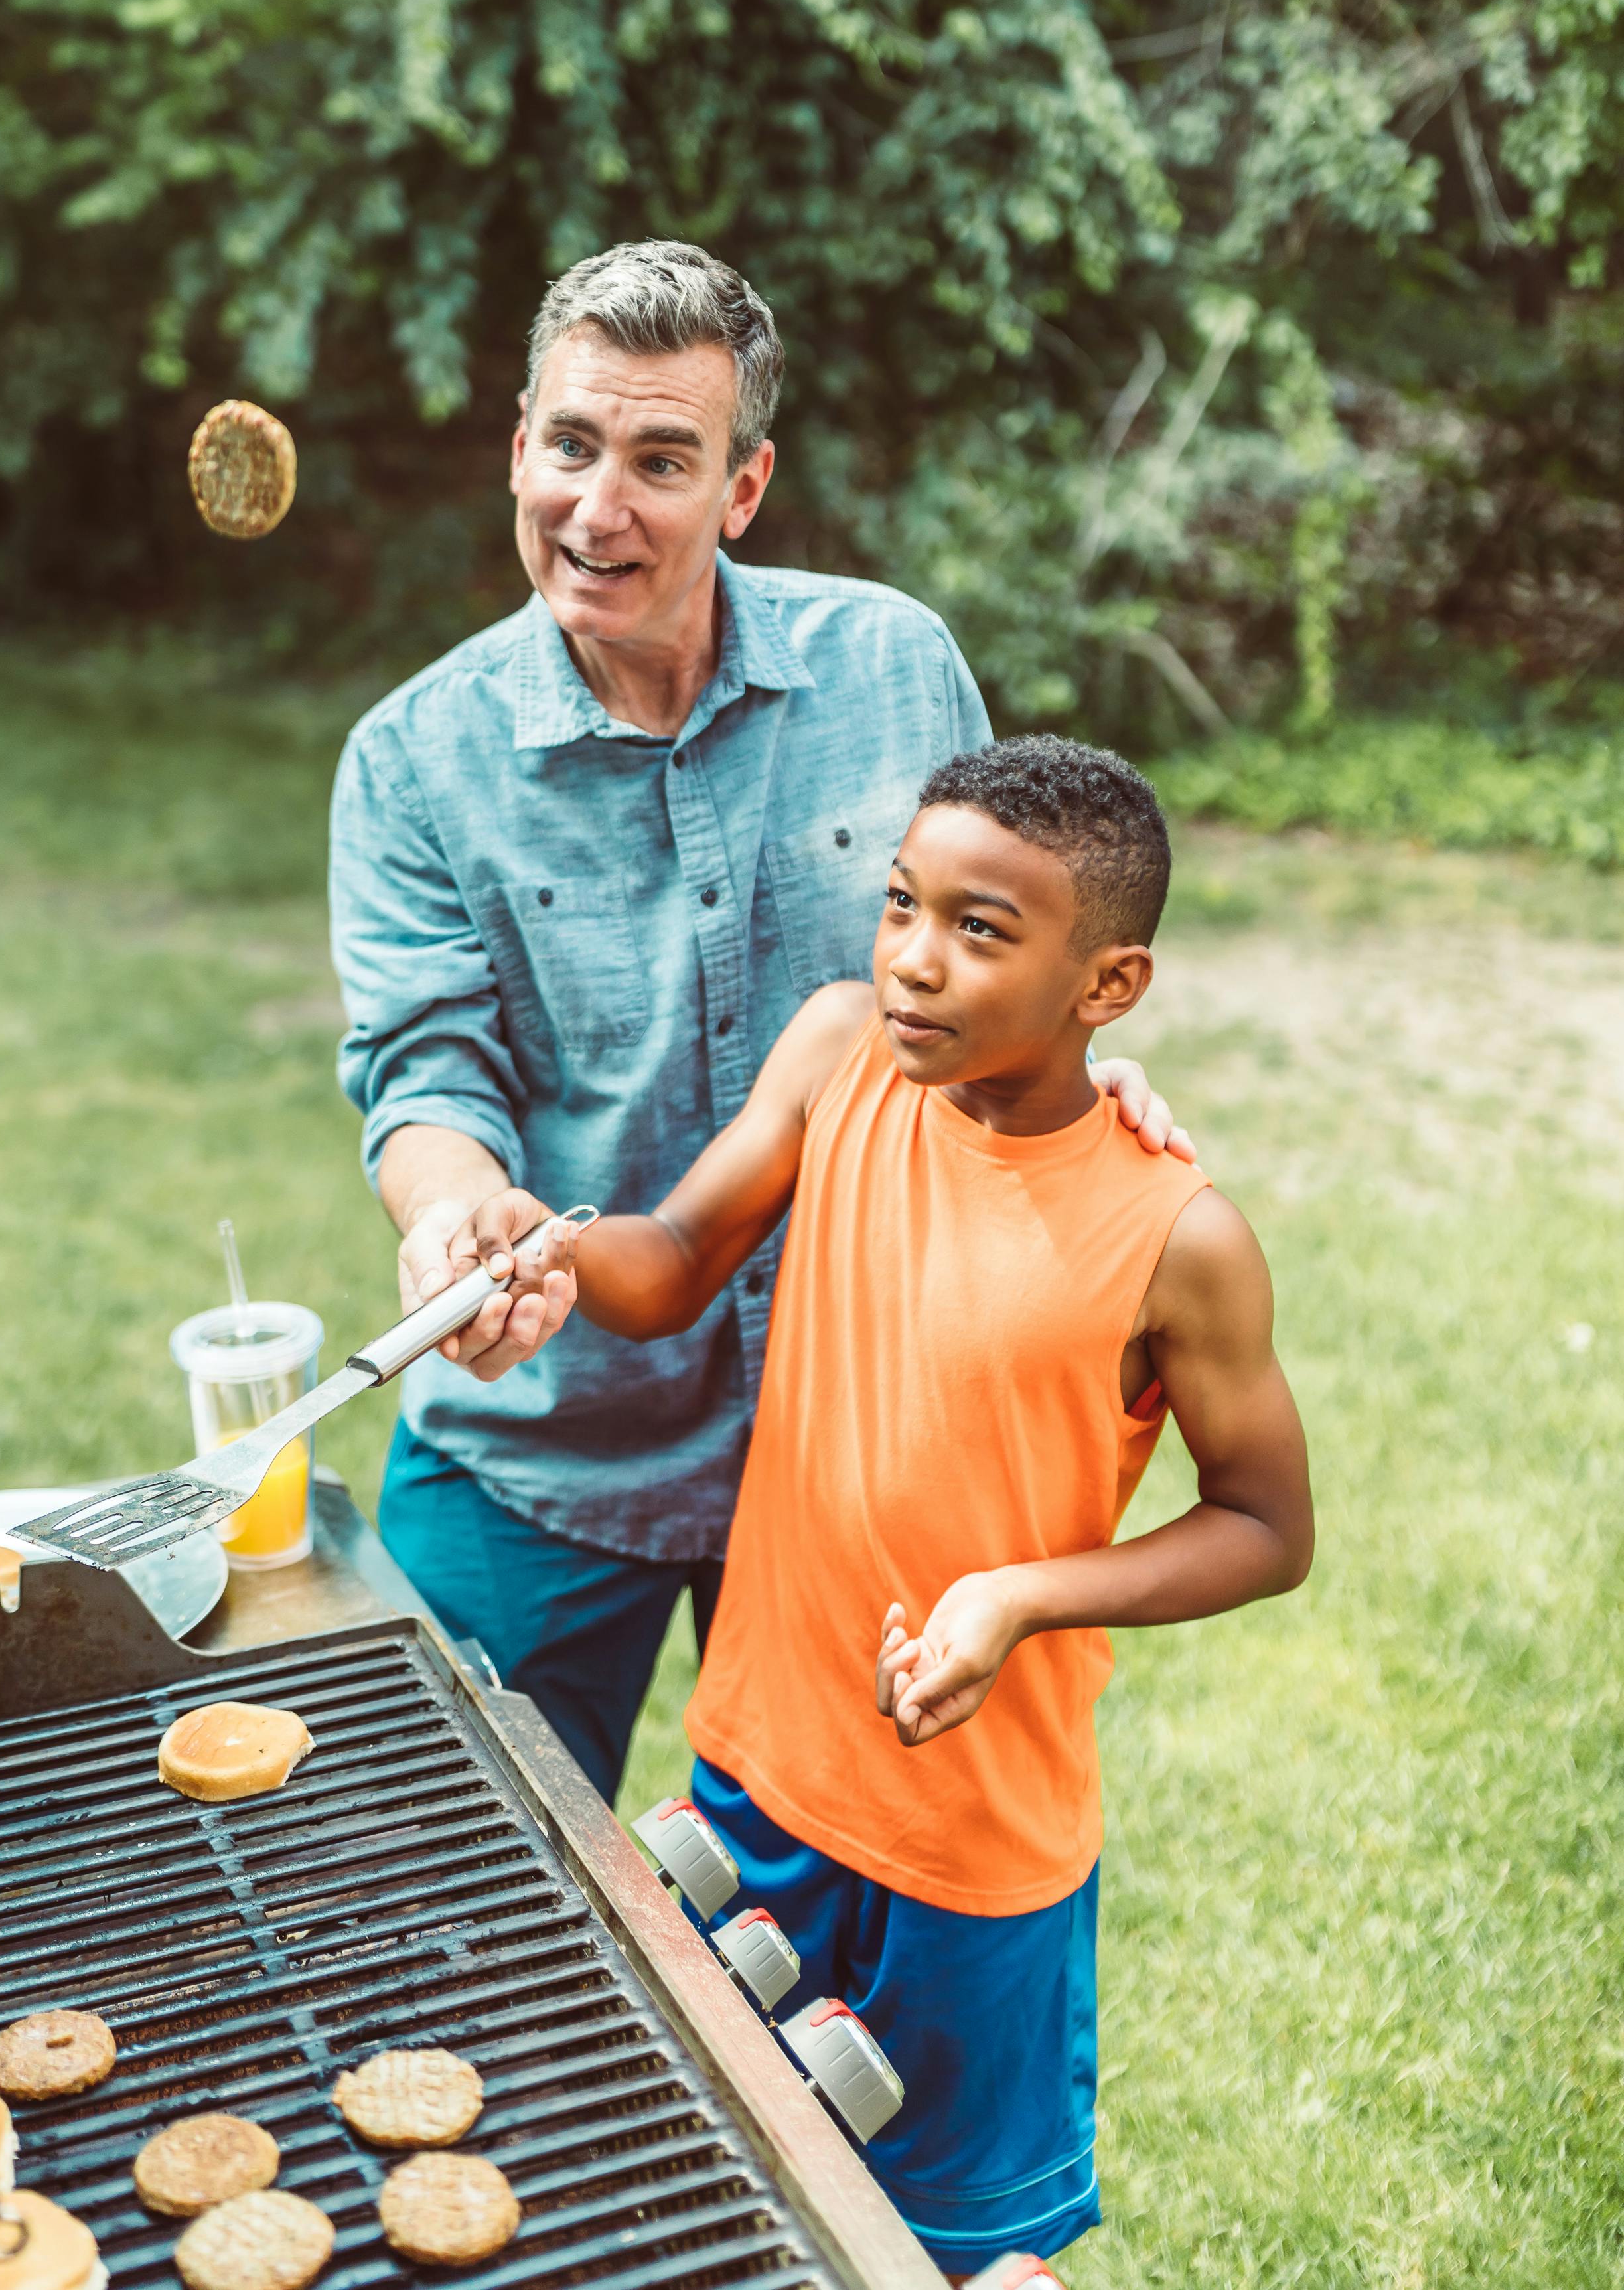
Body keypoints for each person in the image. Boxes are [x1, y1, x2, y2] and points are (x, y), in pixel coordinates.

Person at [329, 242, 1192, 1801]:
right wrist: (459, 1216)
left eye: (665, 460)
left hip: (857, 1450)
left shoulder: (895, 665)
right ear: (519, 447)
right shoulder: (410, 761)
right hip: (536, 1436)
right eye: (572, 446)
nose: (602, 509)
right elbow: (423, 1060)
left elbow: (1006, 934)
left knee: (859, 1941)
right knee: (455, 1890)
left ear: (743, 486)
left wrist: (1064, 1064)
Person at [445, 737, 1313, 2279]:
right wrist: (553, 1249)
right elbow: (676, 1254)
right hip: (757, 1770)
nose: (914, 960)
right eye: (903, 905)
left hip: (973, 1849)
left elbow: (1265, 1524)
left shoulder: (1179, 1235)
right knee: (733, 2189)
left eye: (983, 932)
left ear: (1109, 987)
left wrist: (1018, 1597)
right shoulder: (840, 1049)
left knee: (959, 2250)